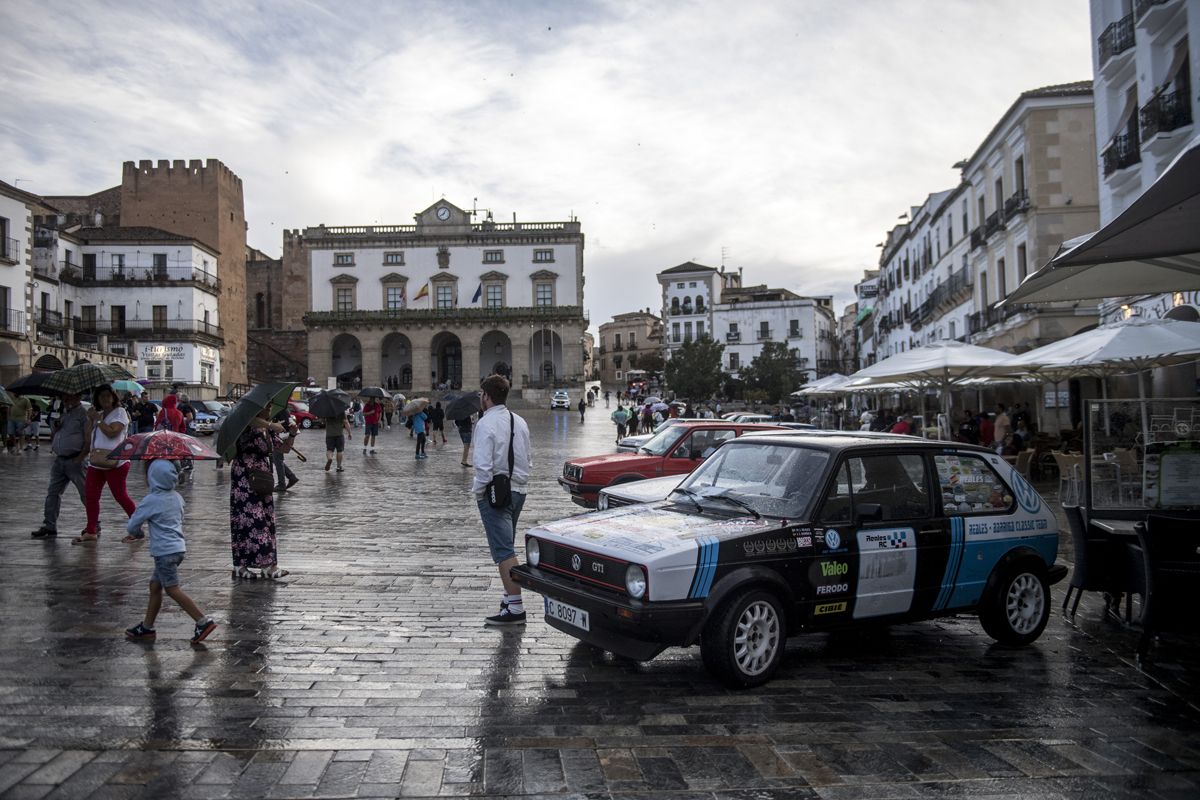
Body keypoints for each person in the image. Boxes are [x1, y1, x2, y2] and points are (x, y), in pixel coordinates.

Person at [123, 460, 218, 644]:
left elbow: (132, 525)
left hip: (163, 552)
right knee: (155, 586)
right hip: (178, 548)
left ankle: (202, 621)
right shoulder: (177, 497)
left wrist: (138, 533)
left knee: (172, 589)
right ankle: (147, 627)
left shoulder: (151, 500)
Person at [472, 374, 532, 625]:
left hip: (495, 494)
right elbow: (527, 458)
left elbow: (483, 467)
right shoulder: (519, 421)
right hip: (518, 490)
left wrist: (478, 492)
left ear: (486, 396)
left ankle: (516, 609)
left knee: (504, 551)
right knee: (506, 546)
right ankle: (509, 599)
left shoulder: (485, 424)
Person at [230, 407, 289, 579]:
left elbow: (282, 449)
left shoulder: (266, 429)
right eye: (267, 407)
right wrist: (272, 425)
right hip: (245, 476)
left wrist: (291, 434)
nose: (269, 409)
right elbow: (248, 418)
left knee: (267, 519)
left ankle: (268, 564)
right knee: (250, 520)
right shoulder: (246, 423)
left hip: (263, 478)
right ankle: (245, 564)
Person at [75, 385, 136, 545]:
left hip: (116, 462)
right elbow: (89, 437)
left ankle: (137, 529)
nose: (105, 399)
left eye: (108, 396)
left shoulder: (120, 412)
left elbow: (112, 432)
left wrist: (99, 420)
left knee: (120, 496)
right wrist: (91, 419)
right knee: (91, 496)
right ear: (97, 399)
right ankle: (91, 530)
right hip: (96, 461)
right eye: (101, 396)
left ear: (113, 397)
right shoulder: (99, 414)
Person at [31, 391, 90, 539]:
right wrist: (55, 428)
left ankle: (94, 523)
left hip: (76, 460)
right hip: (60, 460)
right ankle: (49, 525)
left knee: (85, 494)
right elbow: (56, 435)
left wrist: (81, 457)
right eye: (63, 396)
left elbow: (89, 439)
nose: (65, 399)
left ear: (78, 397)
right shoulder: (63, 414)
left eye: (69, 396)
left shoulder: (84, 415)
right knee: (52, 493)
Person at [272, 405, 300, 490]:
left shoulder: (280, 409)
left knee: (277, 459)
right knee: (276, 459)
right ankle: (291, 477)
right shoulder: (280, 408)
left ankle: (282, 484)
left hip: (281, 437)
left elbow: (285, 424)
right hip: (280, 437)